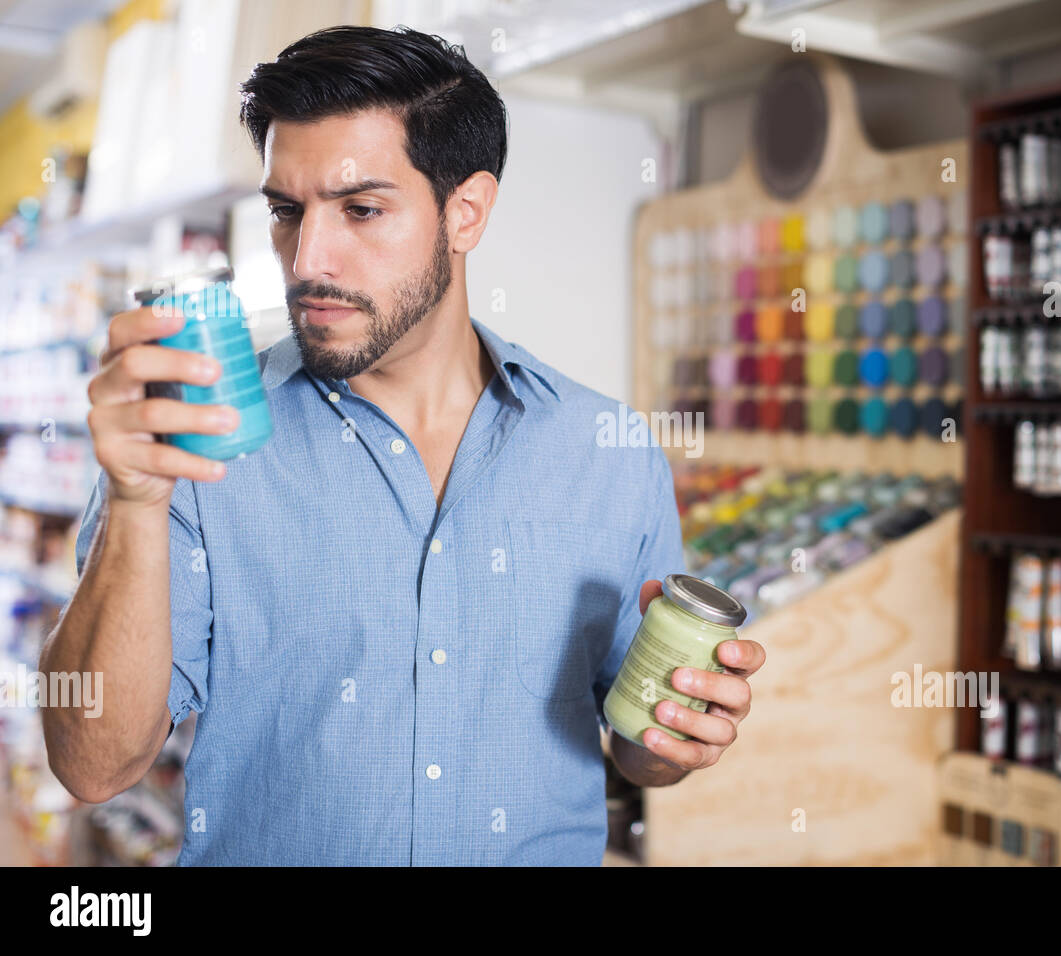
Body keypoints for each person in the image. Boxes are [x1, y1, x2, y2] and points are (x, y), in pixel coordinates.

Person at [40, 25, 764, 865]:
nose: (308, 258)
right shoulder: (194, 444)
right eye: (286, 212)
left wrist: (675, 739)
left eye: (361, 209)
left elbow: (631, 743)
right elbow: (92, 767)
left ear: (466, 211)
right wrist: (133, 504)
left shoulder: (607, 453)